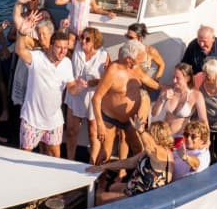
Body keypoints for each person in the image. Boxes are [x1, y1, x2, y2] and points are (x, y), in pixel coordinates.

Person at [15, 16, 77, 158]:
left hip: (54, 121)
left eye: (65, 48)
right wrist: (22, 34)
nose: (63, 51)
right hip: (32, 120)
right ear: (51, 46)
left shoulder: (67, 63)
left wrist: (78, 87)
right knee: (24, 156)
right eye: (59, 48)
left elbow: (72, 89)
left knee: (55, 157)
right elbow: (20, 50)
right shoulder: (37, 58)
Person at [90, 39, 152, 164]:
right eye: (139, 59)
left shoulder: (136, 68)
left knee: (138, 149)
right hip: (110, 117)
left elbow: (151, 83)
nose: (142, 62)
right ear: (129, 59)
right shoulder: (113, 70)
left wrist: (165, 88)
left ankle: (137, 174)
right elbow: (96, 98)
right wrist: (100, 124)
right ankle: (97, 175)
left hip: (130, 118)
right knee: (105, 153)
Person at [85, 120, 174, 204]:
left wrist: (141, 131)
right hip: (136, 187)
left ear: (156, 136)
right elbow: (130, 162)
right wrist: (103, 166)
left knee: (100, 197)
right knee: (113, 187)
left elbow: (150, 146)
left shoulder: (160, 153)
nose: (147, 133)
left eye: (149, 132)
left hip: (144, 197)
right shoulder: (150, 152)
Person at [65, 27, 109, 162]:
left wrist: (93, 82)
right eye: (82, 37)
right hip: (75, 93)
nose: (83, 41)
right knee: (71, 131)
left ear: (95, 41)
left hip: (92, 96)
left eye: (87, 39)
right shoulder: (77, 47)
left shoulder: (104, 55)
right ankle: (69, 160)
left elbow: (108, 78)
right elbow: (64, 39)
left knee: (93, 132)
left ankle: (92, 163)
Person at [149, 62, 207, 143]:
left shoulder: (196, 95)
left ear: (187, 78)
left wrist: (207, 141)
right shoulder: (166, 89)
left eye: (177, 78)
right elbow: (154, 113)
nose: (174, 81)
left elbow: (203, 120)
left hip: (180, 138)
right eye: (173, 77)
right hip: (163, 136)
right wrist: (162, 99)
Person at [125, 22, 165, 90]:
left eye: (131, 38)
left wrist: (156, 80)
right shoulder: (125, 50)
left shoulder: (150, 51)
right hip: (125, 86)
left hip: (142, 87)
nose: (129, 40)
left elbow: (162, 64)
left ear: (140, 38)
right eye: (127, 37)